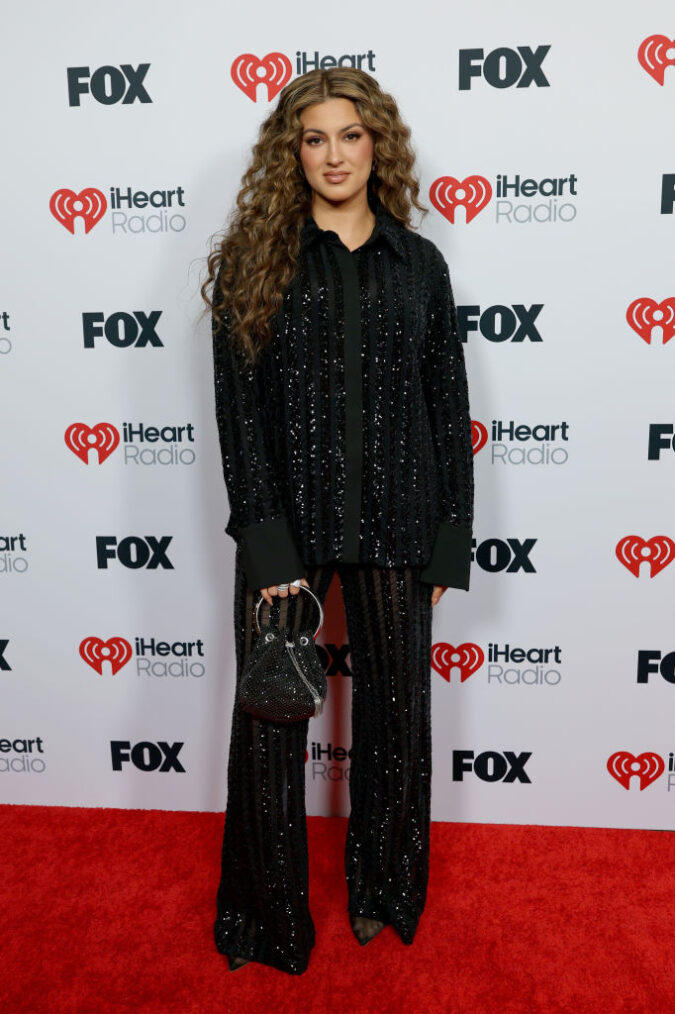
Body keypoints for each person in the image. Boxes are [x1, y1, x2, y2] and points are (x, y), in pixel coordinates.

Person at [203, 66, 474, 975]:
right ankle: (266, 914)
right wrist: (267, 540)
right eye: (313, 138)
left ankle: (386, 892)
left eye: (349, 136)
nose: (332, 155)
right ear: (293, 153)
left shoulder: (420, 264)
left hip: (400, 519)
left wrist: (450, 534)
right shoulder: (255, 261)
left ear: (376, 147)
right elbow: (238, 417)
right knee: (272, 721)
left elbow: (446, 405)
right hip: (287, 527)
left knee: (399, 715)